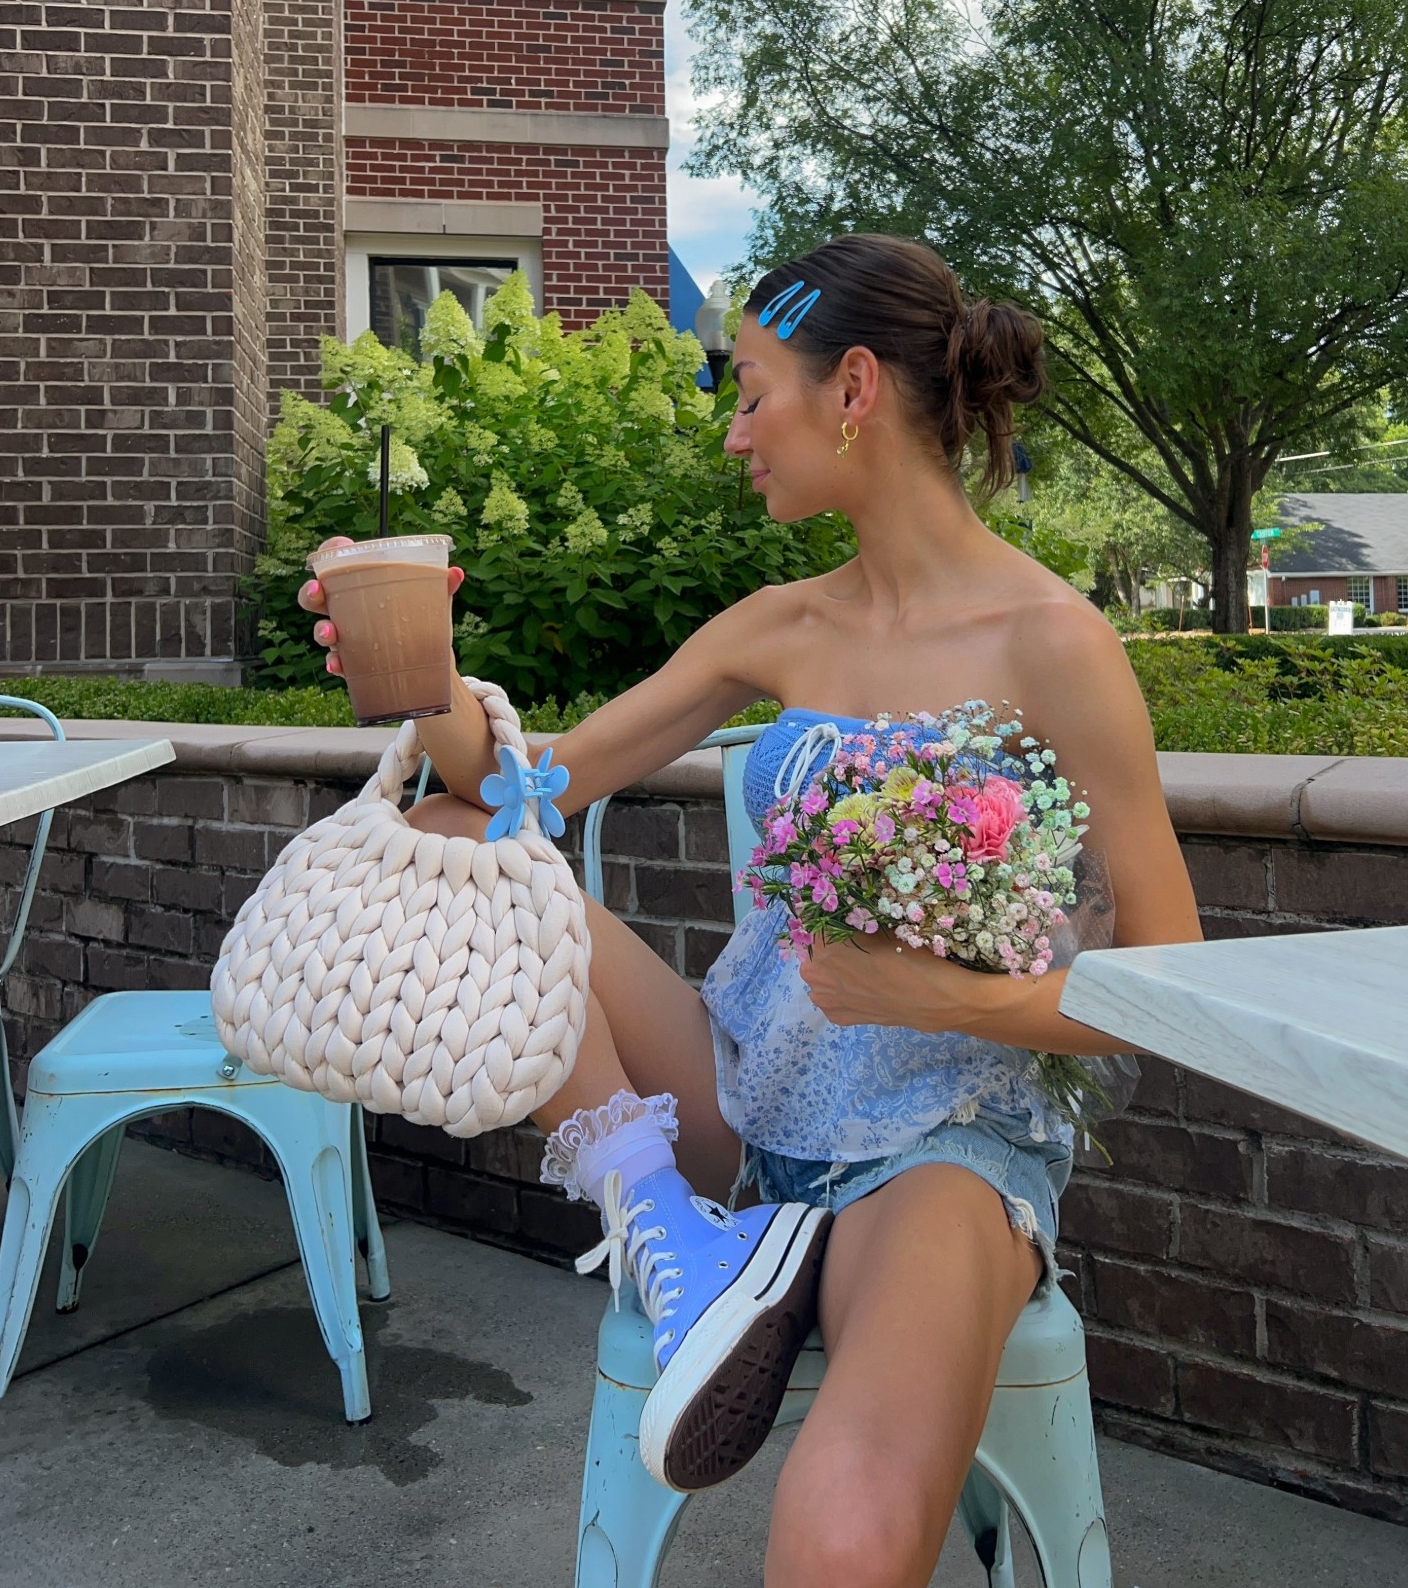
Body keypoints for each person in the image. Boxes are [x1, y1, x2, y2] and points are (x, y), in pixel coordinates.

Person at [300, 234, 1200, 1587]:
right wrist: (416, 668)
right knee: (448, 843)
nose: (733, 434)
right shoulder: (776, 623)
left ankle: (756, 1264)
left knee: (840, 1539)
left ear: (851, 390)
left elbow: (1177, 979)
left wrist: (944, 1000)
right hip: (740, 1096)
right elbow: (527, 796)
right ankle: (677, 1236)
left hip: (941, 1149)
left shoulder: (1052, 642)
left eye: (749, 389)